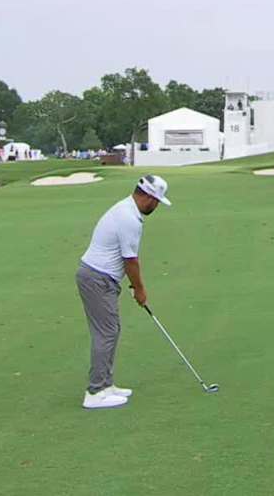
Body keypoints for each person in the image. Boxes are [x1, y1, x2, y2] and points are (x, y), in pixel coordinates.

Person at [75, 174, 171, 409]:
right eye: (157, 201)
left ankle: (106, 385)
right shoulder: (129, 218)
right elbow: (130, 261)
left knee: (111, 330)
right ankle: (96, 392)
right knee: (106, 333)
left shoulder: (125, 208)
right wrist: (140, 290)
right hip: (97, 278)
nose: (157, 206)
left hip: (100, 277)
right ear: (149, 198)